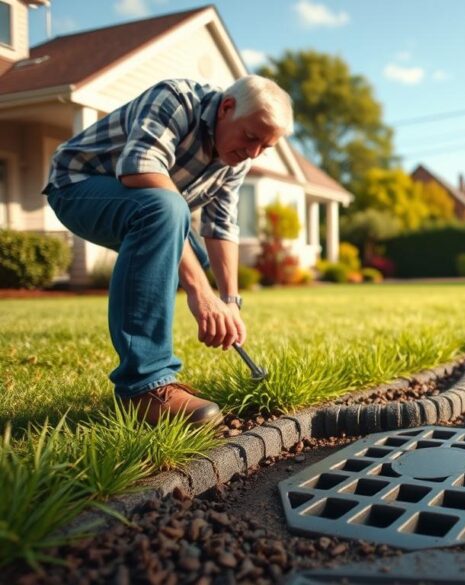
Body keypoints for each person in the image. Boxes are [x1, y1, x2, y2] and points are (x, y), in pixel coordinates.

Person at [43, 76, 293, 425]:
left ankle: (152, 375)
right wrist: (200, 292)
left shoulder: (238, 158)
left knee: (196, 253)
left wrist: (229, 301)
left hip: (148, 204)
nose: (253, 153)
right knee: (166, 210)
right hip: (76, 186)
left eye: (264, 147)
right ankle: (144, 385)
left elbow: (220, 226)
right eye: (251, 137)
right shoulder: (176, 99)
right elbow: (139, 170)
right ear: (226, 108)